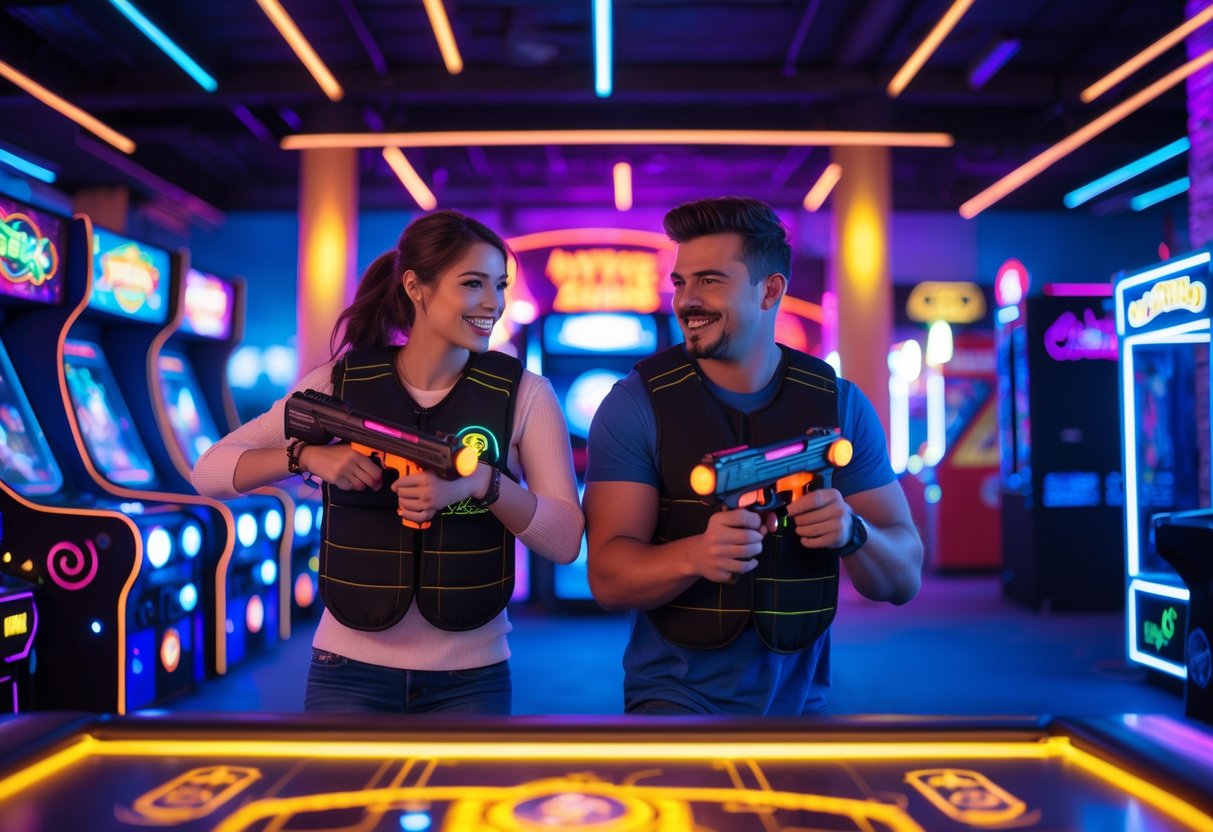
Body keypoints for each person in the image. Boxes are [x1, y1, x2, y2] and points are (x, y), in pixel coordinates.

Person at [193, 210, 583, 714]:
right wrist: (309, 456)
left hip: (472, 678)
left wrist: (479, 482)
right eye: (472, 284)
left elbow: (565, 539)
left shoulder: (524, 393)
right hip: (345, 671)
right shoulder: (338, 381)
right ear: (416, 287)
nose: (494, 303)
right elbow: (208, 471)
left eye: (500, 285)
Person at [584, 196, 922, 716]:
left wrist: (853, 531)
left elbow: (903, 578)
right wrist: (696, 555)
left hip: (802, 705)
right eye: (681, 282)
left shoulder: (840, 402)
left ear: (770, 291)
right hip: (675, 702)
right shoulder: (636, 404)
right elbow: (607, 578)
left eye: (711, 281)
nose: (686, 301)